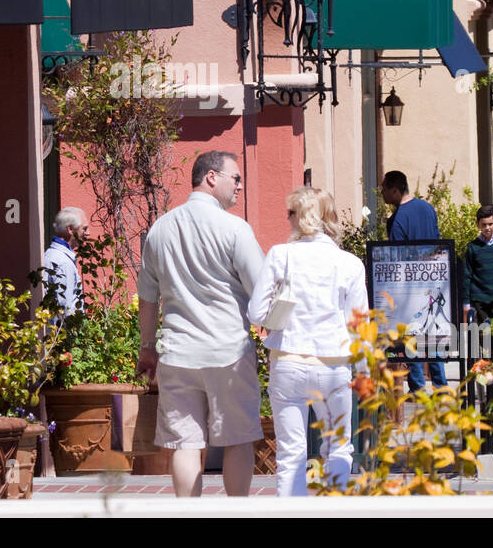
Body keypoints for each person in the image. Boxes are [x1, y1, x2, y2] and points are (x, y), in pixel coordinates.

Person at [136, 150, 266, 497]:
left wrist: (147, 348)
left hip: (178, 352)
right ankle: (235, 510)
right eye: (235, 178)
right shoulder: (234, 228)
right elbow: (261, 290)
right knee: (238, 438)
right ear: (211, 177)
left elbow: (148, 299)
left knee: (185, 444)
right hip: (229, 351)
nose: (240, 186)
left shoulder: (160, 228)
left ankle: (188, 512)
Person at [248, 187, 367, 497]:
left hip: (288, 360)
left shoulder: (280, 255)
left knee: (291, 454)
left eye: (290, 214)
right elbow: (359, 325)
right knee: (339, 448)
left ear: (300, 218)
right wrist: (365, 371)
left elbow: (255, 311)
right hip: (333, 364)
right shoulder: (350, 263)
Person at [380, 170, 446, 392]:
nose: (382, 194)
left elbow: (398, 258)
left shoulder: (398, 219)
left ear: (395, 190)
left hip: (409, 287)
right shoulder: (428, 208)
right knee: (432, 336)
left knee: (410, 338)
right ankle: (441, 386)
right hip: (432, 281)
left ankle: (418, 388)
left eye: (384, 189)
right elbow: (437, 242)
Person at [42, 207, 87, 315]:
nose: (88, 233)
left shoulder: (50, 254)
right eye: (84, 229)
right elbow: (64, 310)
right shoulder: (63, 263)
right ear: (70, 229)